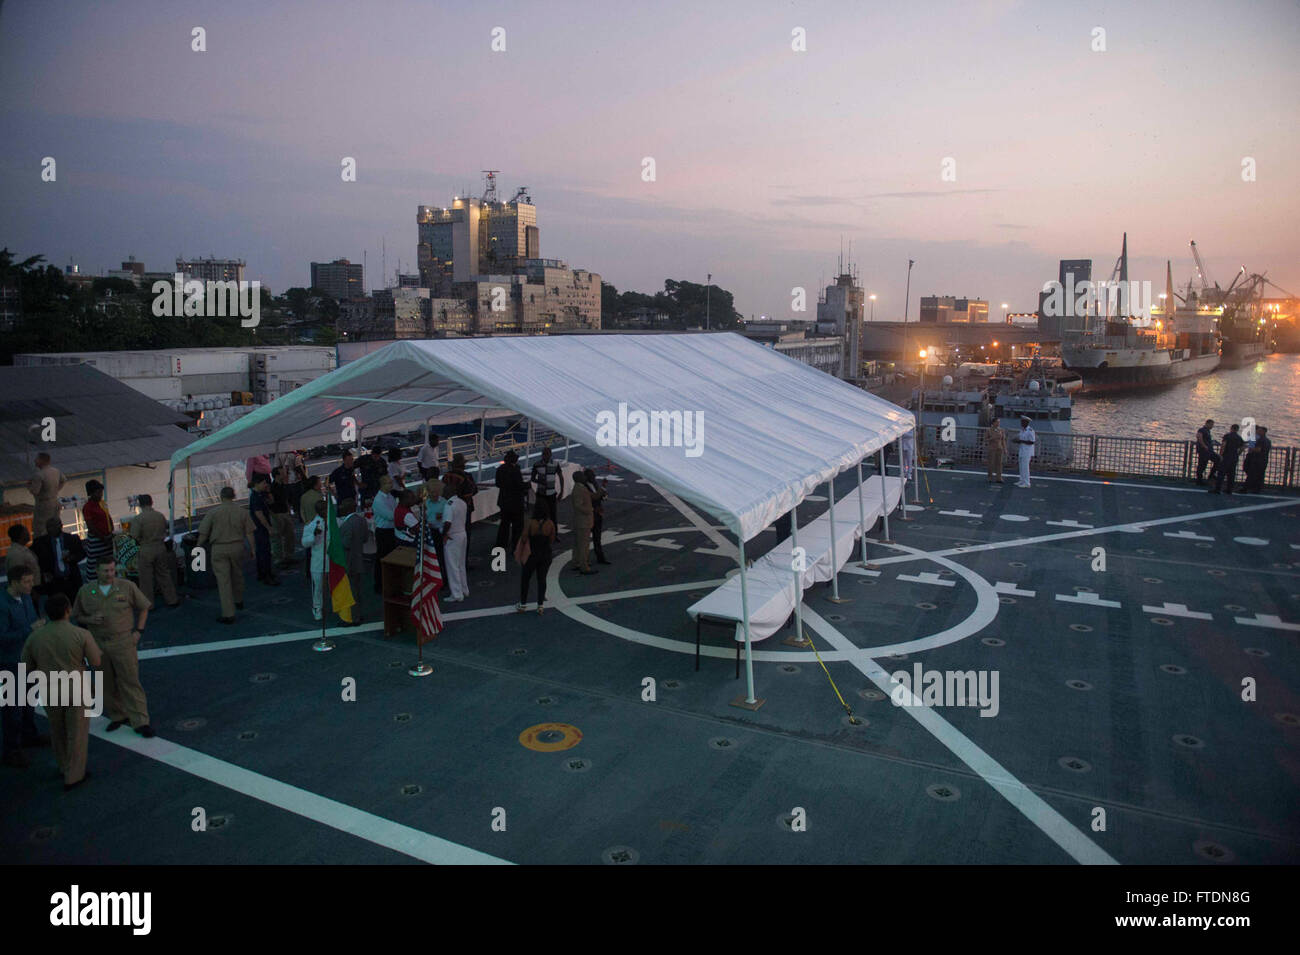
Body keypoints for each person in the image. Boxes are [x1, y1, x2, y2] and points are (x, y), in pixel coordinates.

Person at [21, 593, 100, 789]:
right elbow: (96, 661)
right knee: (77, 732)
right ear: (68, 611)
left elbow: (26, 665)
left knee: (57, 731)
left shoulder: (35, 637)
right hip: (75, 687)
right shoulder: (81, 634)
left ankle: (64, 765)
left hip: (49, 689)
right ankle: (74, 775)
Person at [71, 557, 153, 737]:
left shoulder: (127, 586)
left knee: (130, 680)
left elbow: (144, 607)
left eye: (112, 570)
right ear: (96, 572)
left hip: (123, 641)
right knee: (105, 683)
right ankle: (118, 715)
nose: (109, 574)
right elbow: (77, 615)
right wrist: (89, 620)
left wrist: (139, 631)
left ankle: (141, 720)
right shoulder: (86, 592)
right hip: (98, 643)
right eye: (105, 571)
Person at [2, 567, 50, 768]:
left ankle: (28, 735)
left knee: (29, 701)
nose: (31, 585)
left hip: (27, 658)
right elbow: (2, 637)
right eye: (27, 582)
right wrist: (29, 630)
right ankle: (11, 749)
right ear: (14, 582)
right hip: (9, 662)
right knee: (12, 708)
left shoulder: (27, 597)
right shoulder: (3, 606)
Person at [196, 486, 256, 623]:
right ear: (234, 496)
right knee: (238, 574)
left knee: (224, 581)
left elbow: (203, 533)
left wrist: (198, 547)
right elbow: (249, 533)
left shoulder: (213, 512)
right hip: (237, 546)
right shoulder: (242, 512)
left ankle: (228, 613)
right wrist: (253, 549)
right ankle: (239, 599)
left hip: (219, 548)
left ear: (221, 497)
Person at [128, 494, 179, 609]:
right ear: (152, 502)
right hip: (160, 547)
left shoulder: (138, 519)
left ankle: (148, 604)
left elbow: (134, 536)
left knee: (146, 579)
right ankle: (172, 599)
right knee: (164, 574)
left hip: (146, 548)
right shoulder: (160, 516)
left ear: (140, 504)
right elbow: (165, 529)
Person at [517, 499, 557, 615]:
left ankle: (523, 604)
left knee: (525, 579)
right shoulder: (550, 524)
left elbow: (524, 538)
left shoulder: (530, 522)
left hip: (532, 554)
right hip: (545, 554)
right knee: (542, 579)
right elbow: (552, 539)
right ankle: (540, 605)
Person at [34, 517, 86, 606]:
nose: (51, 529)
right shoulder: (40, 543)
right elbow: (36, 560)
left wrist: (72, 558)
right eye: (49, 527)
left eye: (54, 526)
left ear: (61, 526)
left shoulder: (71, 539)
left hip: (71, 580)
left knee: (76, 606)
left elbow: (82, 553)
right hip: (54, 583)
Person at [338, 498, 370, 623]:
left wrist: (336, 542)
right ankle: (358, 613)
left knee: (350, 590)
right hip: (358, 557)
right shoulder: (361, 520)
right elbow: (365, 538)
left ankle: (352, 617)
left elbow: (346, 543)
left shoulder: (347, 524)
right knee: (357, 588)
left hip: (348, 559)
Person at [442, 454, 478, 561]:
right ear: (463, 465)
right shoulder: (467, 477)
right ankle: (463, 560)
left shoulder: (446, 476)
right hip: (464, 509)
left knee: (449, 533)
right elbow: (473, 491)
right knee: (464, 535)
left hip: (448, 507)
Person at [248, 474, 280, 587]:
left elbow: (270, 502)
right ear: (257, 484)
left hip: (259, 528)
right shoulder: (255, 497)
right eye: (264, 483)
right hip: (260, 528)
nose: (266, 485)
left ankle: (262, 573)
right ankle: (267, 575)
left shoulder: (259, 494)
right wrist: (268, 527)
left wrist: (268, 492)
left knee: (262, 551)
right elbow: (259, 514)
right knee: (264, 552)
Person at [301, 499, 329, 622]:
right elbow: (304, 543)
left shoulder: (333, 521)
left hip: (332, 560)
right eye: (323, 509)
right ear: (318, 511)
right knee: (318, 587)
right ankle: (317, 608)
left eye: (326, 508)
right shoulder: (311, 525)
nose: (325, 511)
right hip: (318, 562)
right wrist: (313, 535)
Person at [27, 452, 66, 539]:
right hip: (54, 501)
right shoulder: (56, 471)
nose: (35, 461)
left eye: (37, 459)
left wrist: (29, 485)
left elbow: (35, 491)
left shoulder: (39, 474)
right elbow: (63, 480)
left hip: (43, 504)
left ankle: (43, 547)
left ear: (42, 461)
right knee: (55, 526)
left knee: (41, 529)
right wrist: (56, 490)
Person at [82, 480, 114, 581]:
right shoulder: (88, 507)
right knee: (96, 563)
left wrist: (111, 530)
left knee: (108, 561)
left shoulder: (102, 503)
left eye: (101, 492)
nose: (100, 494)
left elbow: (108, 517)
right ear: (91, 493)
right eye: (98, 492)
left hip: (107, 538)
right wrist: (102, 537)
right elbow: (90, 525)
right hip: (97, 540)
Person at [495, 450, 526, 553]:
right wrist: (528, 485)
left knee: (504, 523)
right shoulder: (516, 469)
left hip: (504, 500)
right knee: (517, 526)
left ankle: (501, 544)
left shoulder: (500, 469)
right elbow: (519, 485)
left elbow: (498, 483)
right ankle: (516, 546)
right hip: (516, 501)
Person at [441, 483, 468, 602]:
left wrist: (444, 534)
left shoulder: (448, 505)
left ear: (448, 493)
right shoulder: (462, 502)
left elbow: (447, 522)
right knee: (461, 564)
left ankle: (457, 594)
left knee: (452, 565)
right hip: (462, 533)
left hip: (452, 536)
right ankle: (464, 589)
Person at [371, 475, 397, 594]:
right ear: (382, 485)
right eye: (388, 483)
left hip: (391, 530)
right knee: (382, 558)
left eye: (391, 483)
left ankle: (390, 581)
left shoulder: (390, 496)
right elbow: (391, 516)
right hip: (383, 532)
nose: (391, 485)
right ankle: (379, 584)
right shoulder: (379, 500)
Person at [269, 466, 296, 568]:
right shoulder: (272, 488)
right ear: (277, 475)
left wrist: (289, 512)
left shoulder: (283, 486)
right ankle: (278, 559)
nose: (285, 474)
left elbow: (286, 500)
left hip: (284, 512)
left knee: (289, 535)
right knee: (277, 537)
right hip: (277, 514)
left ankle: (288, 556)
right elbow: (270, 503)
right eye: (282, 473)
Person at [570, 471, 596, 574]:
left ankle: (577, 562)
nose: (585, 477)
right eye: (583, 476)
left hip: (579, 521)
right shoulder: (579, 489)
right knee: (584, 545)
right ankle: (584, 567)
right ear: (579, 478)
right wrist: (590, 510)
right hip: (583, 522)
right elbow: (578, 505)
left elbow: (592, 496)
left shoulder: (580, 488)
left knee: (577, 544)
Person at [530, 447, 564, 525]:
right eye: (544, 454)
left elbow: (561, 477)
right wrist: (539, 481)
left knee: (553, 515)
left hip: (551, 494)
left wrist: (562, 492)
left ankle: (554, 535)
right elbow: (532, 478)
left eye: (547, 454)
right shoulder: (536, 464)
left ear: (550, 454)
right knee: (539, 515)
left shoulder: (555, 464)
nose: (545, 456)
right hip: (541, 494)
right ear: (542, 455)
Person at [585, 468, 611, 565]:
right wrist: (603, 488)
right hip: (590, 515)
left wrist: (604, 496)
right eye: (592, 476)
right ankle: (584, 560)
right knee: (586, 540)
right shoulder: (584, 487)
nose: (594, 477)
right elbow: (595, 496)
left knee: (597, 538)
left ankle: (600, 557)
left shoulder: (594, 484)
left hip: (597, 514)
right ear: (587, 477)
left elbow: (601, 495)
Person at [1211, 424, 1245, 495]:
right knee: (1231, 474)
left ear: (1231, 428)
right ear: (1237, 429)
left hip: (1226, 456)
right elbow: (1242, 447)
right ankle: (1229, 489)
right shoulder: (1239, 438)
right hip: (1234, 457)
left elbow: (1223, 445)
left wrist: (1220, 455)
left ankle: (1217, 489)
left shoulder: (1227, 436)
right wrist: (1238, 454)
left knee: (1221, 473)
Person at [5, 525, 41, 590]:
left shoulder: (23, 549)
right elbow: (18, 576)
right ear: (21, 535)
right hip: (27, 590)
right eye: (26, 532)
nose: (28, 534)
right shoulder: (16, 554)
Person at [1241, 426, 1272, 493]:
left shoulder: (1261, 440)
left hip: (1257, 460)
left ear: (1263, 432)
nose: (1258, 432)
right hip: (1264, 460)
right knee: (1260, 475)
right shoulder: (1268, 441)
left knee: (1251, 474)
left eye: (1260, 431)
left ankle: (1245, 489)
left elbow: (1258, 449)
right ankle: (1257, 489)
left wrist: (1251, 448)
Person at [1194, 420, 1220, 486]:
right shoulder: (1201, 430)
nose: (1212, 426)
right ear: (1207, 423)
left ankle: (1211, 475)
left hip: (1209, 451)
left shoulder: (1208, 431)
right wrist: (1204, 446)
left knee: (1218, 459)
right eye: (1211, 425)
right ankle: (1199, 480)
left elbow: (1205, 439)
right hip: (1204, 451)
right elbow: (1199, 437)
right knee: (1202, 465)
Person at [1013, 416, 1036, 488]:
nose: (1021, 423)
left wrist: (1021, 441)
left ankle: (1027, 482)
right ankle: (1022, 480)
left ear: (1027, 422)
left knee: (1025, 467)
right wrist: (1016, 440)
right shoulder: (1022, 430)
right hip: (1022, 450)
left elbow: (1032, 441)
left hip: (1027, 451)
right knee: (1021, 466)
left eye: (1023, 422)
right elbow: (1020, 437)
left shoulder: (1030, 430)